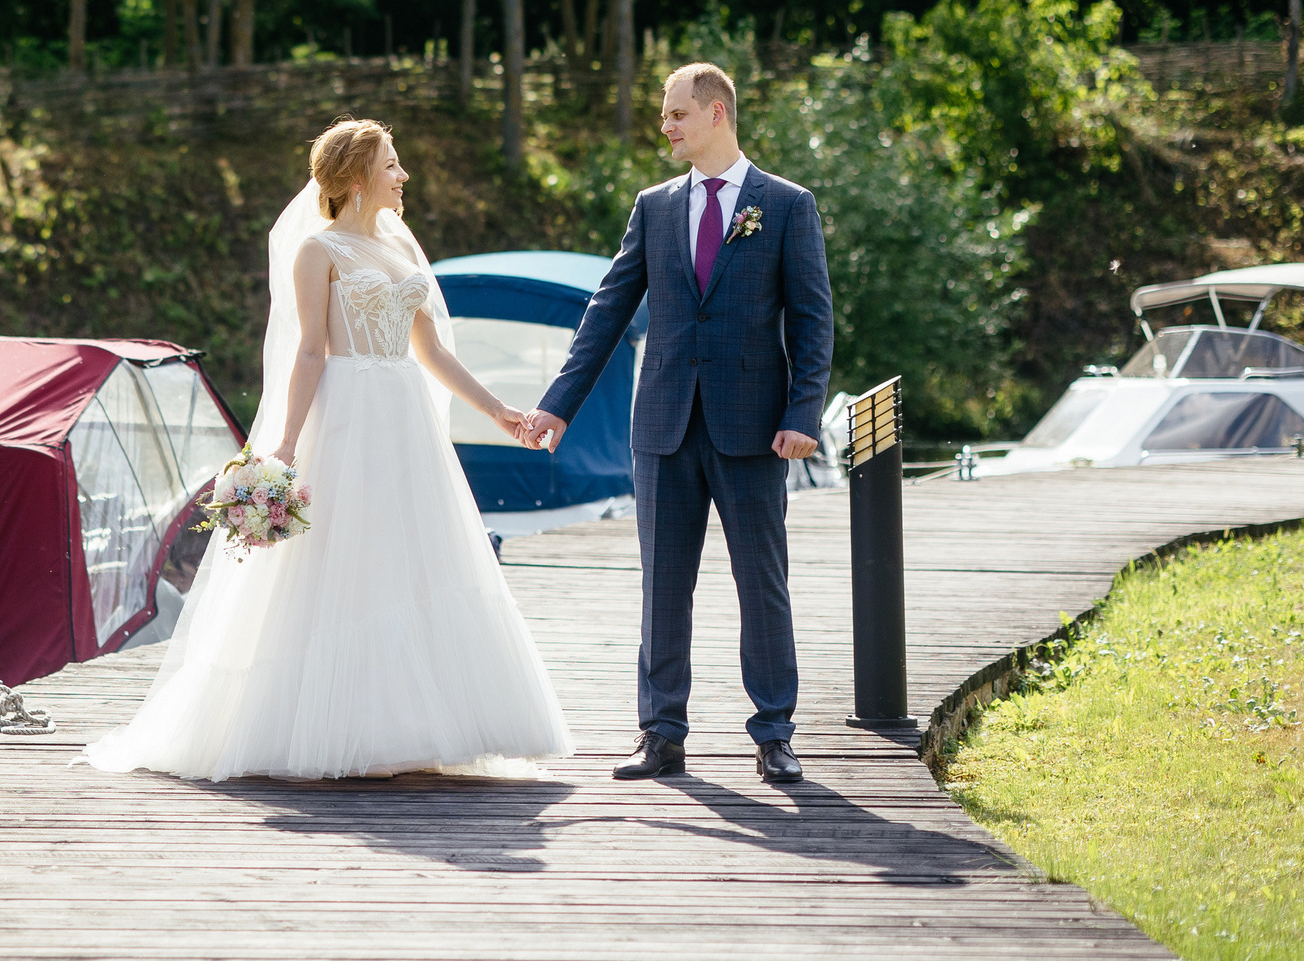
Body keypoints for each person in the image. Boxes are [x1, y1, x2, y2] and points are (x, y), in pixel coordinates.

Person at [85, 118, 574, 781]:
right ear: (354, 177)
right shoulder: (318, 250)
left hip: (405, 421)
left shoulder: (400, 248)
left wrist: (499, 411)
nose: (403, 175)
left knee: (414, 559)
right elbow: (310, 349)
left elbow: (429, 350)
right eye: (392, 164)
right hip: (347, 417)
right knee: (343, 565)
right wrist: (283, 444)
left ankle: (418, 724)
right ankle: (341, 728)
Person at [522, 63, 832, 785]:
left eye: (675, 113)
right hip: (662, 424)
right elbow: (607, 311)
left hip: (754, 429)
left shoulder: (786, 205)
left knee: (763, 582)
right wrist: (557, 402)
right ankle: (660, 733)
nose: (664, 125)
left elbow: (814, 319)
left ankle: (774, 732)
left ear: (716, 113)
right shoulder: (654, 206)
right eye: (664, 114)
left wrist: (802, 413)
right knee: (664, 584)